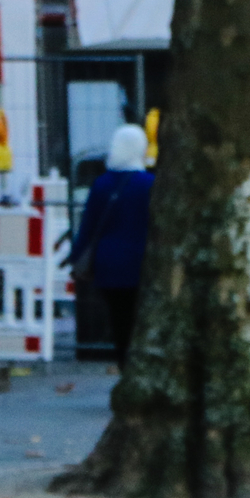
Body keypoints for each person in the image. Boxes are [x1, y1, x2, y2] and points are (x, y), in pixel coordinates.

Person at [70, 124, 155, 365]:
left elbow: (88, 226)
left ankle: (123, 364)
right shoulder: (150, 184)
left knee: (119, 320)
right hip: (142, 261)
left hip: (108, 264)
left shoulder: (101, 184)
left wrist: (77, 258)